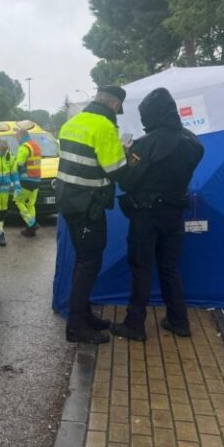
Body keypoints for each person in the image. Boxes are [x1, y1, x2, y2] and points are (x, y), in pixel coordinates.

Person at [110, 88, 204, 341]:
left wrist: (126, 154)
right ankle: (178, 320)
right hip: (173, 213)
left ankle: (134, 325)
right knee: (169, 267)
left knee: (141, 268)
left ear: (151, 115)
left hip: (145, 214)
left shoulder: (145, 144)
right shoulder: (193, 142)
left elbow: (128, 182)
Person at [56, 86, 129, 344]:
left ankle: (84, 315)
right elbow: (116, 171)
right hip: (88, 206)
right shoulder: (104, 127)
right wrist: (126, 153)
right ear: (115, 105)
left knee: (82, 261)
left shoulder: (73, 123)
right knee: (89, 263)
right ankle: (76, 326)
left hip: (69, 202)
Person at [0, 138, 21, 246]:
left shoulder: (10, 156)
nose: (5, 149)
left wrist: (17, 186)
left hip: (5, 189)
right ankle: (0, 235)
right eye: (3, 147)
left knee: (3, 211)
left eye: (6, 147)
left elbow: (14, 172)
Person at [13, 128, 42, 237]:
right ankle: (31, 230)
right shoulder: (36, 146)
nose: (17, 140)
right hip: (37, 180)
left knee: (18, 201)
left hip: (26, 180)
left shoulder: (24, 147)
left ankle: (32, 224)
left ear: (21, 136)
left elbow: (19, 164)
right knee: (31, 204)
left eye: (17, 137)